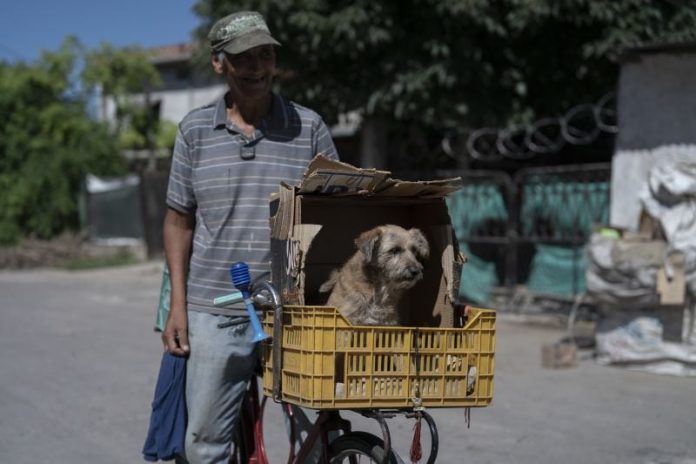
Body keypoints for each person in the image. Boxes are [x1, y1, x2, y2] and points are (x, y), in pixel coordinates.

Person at [161, 11, 338, 464]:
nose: (257, 68)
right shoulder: (195, 132)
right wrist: (177, 307)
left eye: (265, 55)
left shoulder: (309, 128)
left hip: (294, 309)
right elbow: (178, 221)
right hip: (215, 308)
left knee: (318, 435)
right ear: (219, 64)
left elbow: (338, 210)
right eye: (244, 58)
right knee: (203, 447)